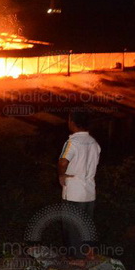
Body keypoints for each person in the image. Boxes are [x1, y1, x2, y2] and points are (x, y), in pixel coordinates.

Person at [58, 109, 101, 262]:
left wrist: (61, 175)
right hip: (89, 191)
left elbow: (63, 161)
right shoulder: (94, 143)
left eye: (69, 119)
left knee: (72, 225)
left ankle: (77, 258)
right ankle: (90, 252)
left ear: (73, 122)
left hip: (74, 191)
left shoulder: (72, 142)